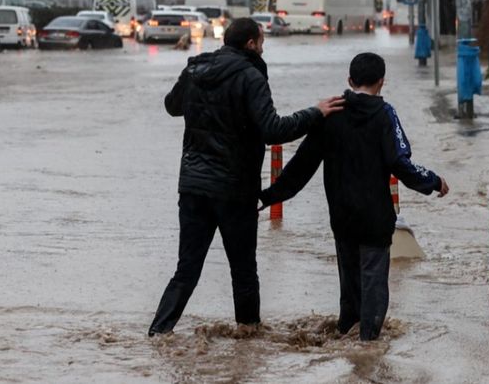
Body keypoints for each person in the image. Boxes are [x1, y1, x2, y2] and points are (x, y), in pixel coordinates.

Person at [148, 18, 345, 337]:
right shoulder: (250, 76)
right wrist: (316, 112)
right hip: (234, 189)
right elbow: (274, 130)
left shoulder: (196, 70)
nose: (263, 47)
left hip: (193, 185)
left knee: (186, 269)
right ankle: (248, 339)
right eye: (262, 41)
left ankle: (158, 332)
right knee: (243, 270)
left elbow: (172, 106)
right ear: (251, 43)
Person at [259, 52, 449, 340]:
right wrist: (434, 182)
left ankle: (346, 335)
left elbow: (301, 167)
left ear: (350, 80)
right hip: (375, 218)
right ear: (382, 82)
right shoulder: (385, 115)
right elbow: (401, 164)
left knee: (349, 285)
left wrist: (267, 196)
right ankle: (368, 347)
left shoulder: (329, 113)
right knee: (374, 284)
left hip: (342, 217)